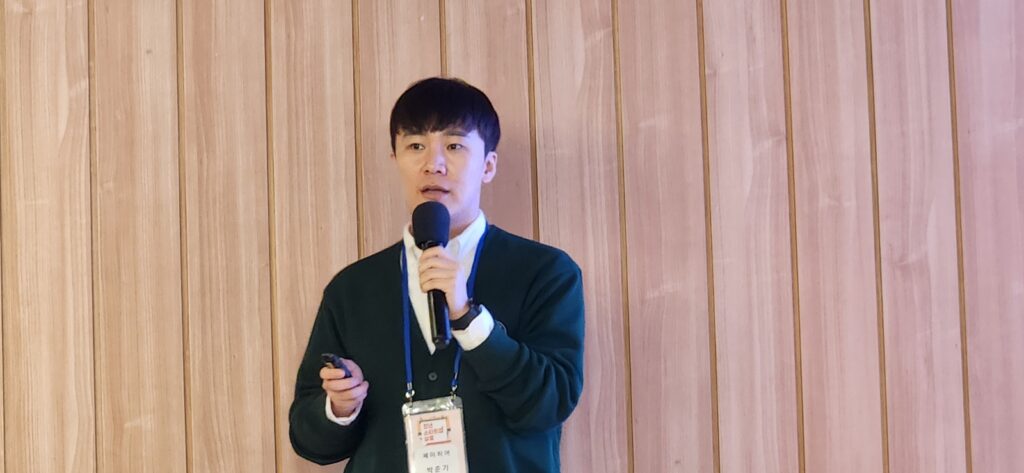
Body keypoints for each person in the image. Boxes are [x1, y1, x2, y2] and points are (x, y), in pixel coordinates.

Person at [289, 77, 584, 472]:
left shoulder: (545, 272)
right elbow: (308, 438)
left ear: (488, 165)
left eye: (454, 146)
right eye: (415, 146)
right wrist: (339, 407)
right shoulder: (352, 288)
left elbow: (551, 403)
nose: (433, 163)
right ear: (395, 159)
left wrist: (467, 317)